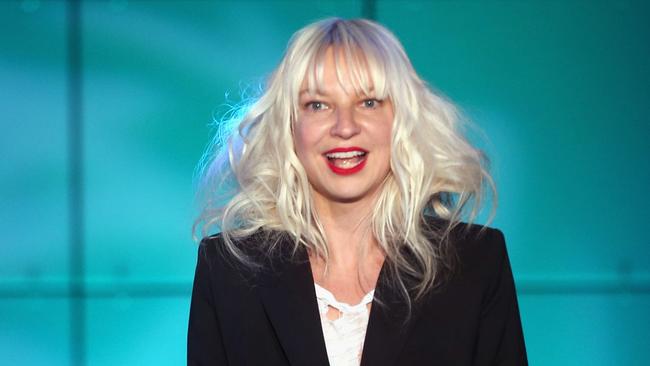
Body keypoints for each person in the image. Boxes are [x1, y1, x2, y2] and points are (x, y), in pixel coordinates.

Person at [188, 18, 527, 366]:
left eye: (368, 102)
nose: (345, 127)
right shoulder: (227, 271)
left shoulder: (476, 262)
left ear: (401, 118)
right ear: (290, 126)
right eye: (318, 104)